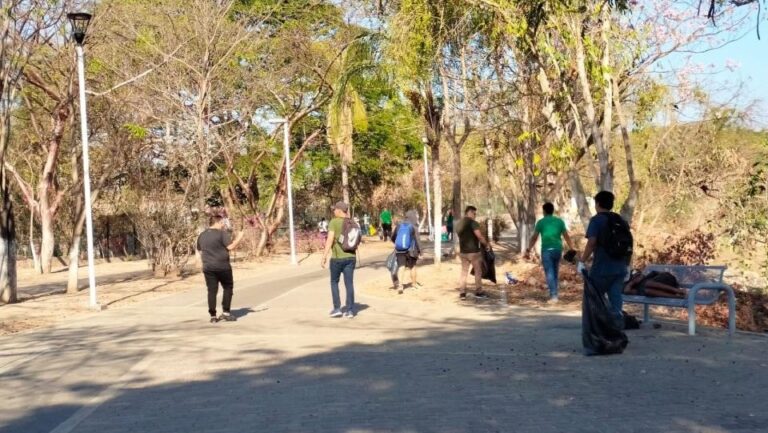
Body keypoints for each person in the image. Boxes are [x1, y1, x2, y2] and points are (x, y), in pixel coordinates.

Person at [579, 191, 632, 322]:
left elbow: (592, 243)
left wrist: (582, 261)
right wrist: (627, 265)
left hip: (602, 268)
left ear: (597, 203)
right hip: (620, 268)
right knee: (616, 300)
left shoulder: (596, 220)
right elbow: (629, 244)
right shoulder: (620, 220)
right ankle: (616, 331)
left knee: (593, 298)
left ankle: (596, 330)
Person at [196, 215, 246, 323]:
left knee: (211, 291)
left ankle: (213, 316)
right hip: (222, 266)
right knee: (228, 288)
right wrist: (239, 237)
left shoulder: (202, 235)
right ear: (217, 222)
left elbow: (200, 250)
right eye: (223, 222)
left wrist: (206, 261)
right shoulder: (222, 234)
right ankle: (226, 313)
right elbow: (230, 247)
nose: (224, 224)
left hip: (208, 267)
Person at [524, 202, 576, 303]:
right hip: (558, 250)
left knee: (549, 273)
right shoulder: (559, 222)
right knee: (555, 272)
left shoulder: (541, 222)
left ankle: (553, 296)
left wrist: (529, 249)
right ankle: (555, 293)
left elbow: (534, 237)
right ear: (552, 211)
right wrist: (571, 248)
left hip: (546, 251)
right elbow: (566, 236)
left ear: (544, 211)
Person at [321, 201, 357, 318]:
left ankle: (337, 308)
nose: (334, 211)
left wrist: (324, 256)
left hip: (337, 258)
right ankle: (350, 310)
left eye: (335, 209)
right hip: (351, 257)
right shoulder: (352, 222)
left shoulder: (334, 222)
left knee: (334, 282)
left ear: (340, 211)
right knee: (349, 284)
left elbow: (329, 240)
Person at [454, 205, 491, 300]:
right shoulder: (473, 223)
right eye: (474, 213)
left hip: (463, 252)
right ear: (469, 212)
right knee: (478, 272)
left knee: (463, 273)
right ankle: (479, 291)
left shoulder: (458, 224)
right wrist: (486, 245)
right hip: (474, 252)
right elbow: (479, 236)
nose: (475, 215)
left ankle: (462, 293)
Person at [390, 209, 422, 293]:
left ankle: (400, 286)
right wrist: (420, 251)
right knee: (412, 267)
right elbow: (417, 240)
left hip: (399, 250)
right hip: (411, 251)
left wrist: (398, 244)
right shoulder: (413, 226)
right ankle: (414, 284)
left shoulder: (399, 225)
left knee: (401, 267)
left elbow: (393, 237)